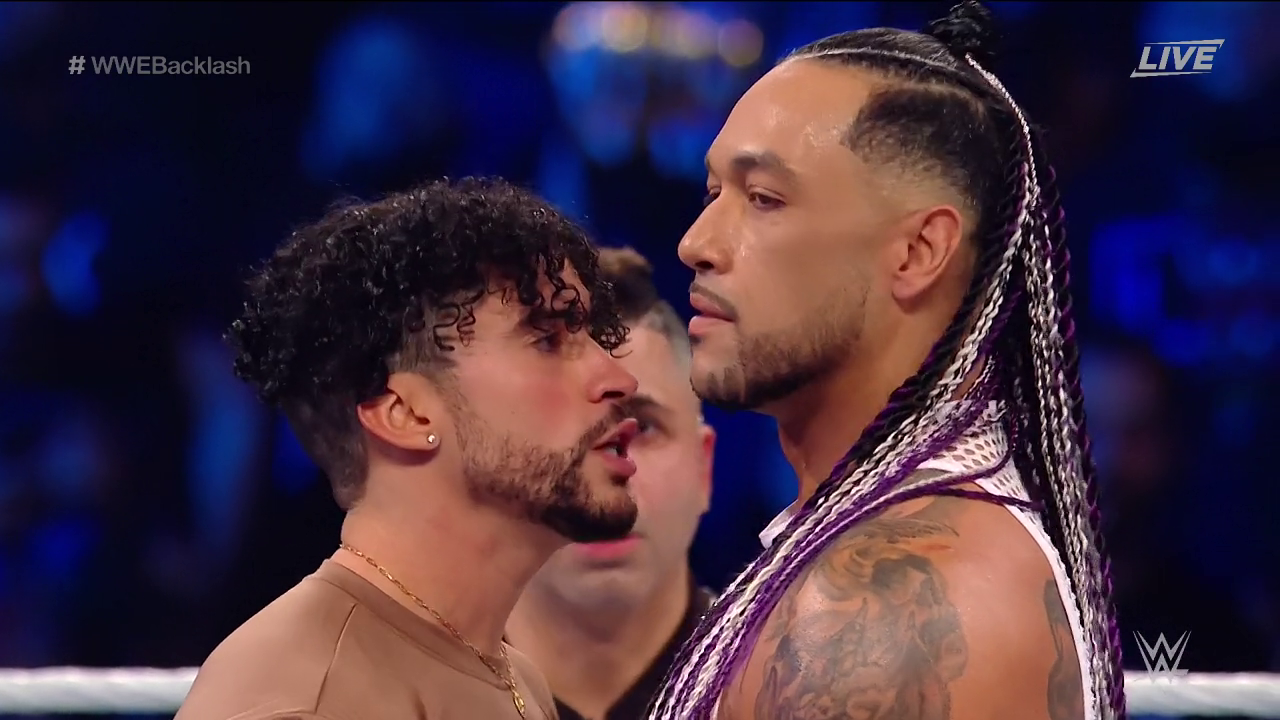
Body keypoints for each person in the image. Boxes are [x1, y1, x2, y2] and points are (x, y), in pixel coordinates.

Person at [647, 3, 1123, 720]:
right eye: (713, 193)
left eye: (764, 198)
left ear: (917, 252)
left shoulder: (888, 611)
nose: (696, 243)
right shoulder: (877, 535)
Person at [175, 177, 644, 720]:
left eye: (590, 337)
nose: (620, 379)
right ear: (404, 413)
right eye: (546, 340)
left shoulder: (512, 676)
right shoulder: (309, 703)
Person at [506, 247, 717, 720]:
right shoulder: (391, 700)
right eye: (563, 425)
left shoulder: (796, 691)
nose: (607, 472)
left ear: (704, 466)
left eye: (641, 428)